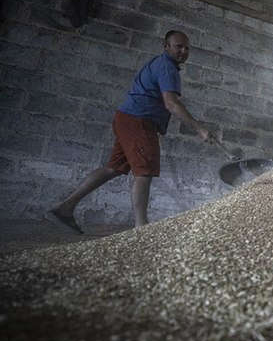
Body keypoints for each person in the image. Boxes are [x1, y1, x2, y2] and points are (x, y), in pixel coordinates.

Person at [47, 30, 211, 233]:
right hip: (138, 122)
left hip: (126, 118)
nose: (184, 51)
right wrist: (200, 129)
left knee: (113, 168)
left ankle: (64, 208)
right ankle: (141, 229)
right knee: (145, 171)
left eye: (187, 48)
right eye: (179, 46)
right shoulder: (167, 68)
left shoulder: (159, 63)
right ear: (166, 46)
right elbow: (171, 104)